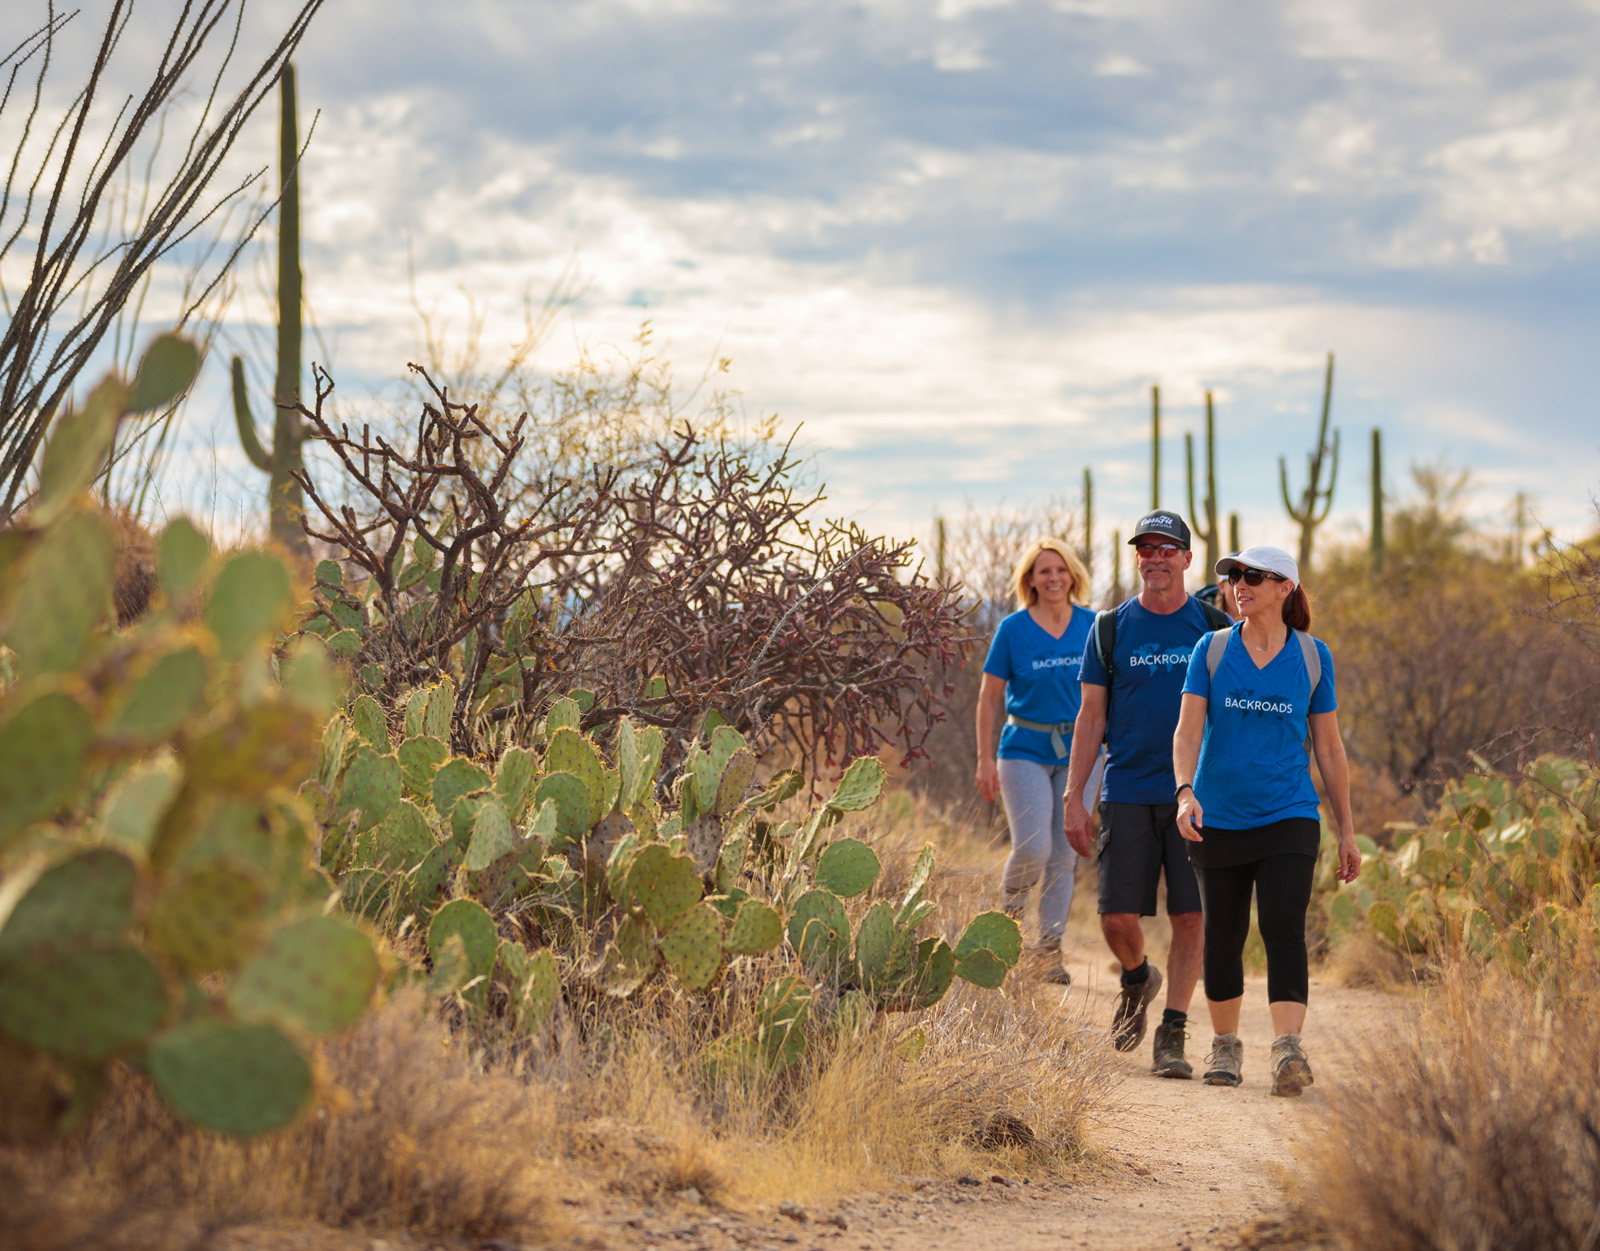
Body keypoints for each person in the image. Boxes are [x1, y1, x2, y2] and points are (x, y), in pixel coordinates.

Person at [1172, 545, 1361, 1096]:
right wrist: (1184, 792)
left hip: (1289, 814)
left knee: (1283, 928)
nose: (1238, 584)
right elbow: (1186, 731)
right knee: (1224, 937)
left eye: (1253, 576)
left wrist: (1347, 828)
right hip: (1218, 816)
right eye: (1234, 576)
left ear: (1286, 588)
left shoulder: (1312, 656)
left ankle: (1287, 1051)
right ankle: (1226, 1046)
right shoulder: (1210, 650)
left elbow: (1329, 748)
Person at [1064, 511, 1229, 1077]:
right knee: (1114, 919)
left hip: (1196, 796)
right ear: (1137, 558)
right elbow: (1090, 718)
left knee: (1191, 916)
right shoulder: (1110, 628)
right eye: (1146, 549)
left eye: (1168, 549)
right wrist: (1073, 796)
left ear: (1187, 559)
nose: (1156, 558)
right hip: (1128, 788)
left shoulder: (1212, 628)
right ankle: (1138, 978)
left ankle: (1173, 1034)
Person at [976, 538, 1100, 984]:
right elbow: (989, 698)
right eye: (1043, 571)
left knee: (1064, 853)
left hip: (1081, 752)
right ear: (1030, 579)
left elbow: (1112, 692)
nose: (1053, 578)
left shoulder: (1094, 625)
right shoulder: (1012, 628)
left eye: (1060, 570)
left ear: (1072, 576)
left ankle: (1049, 951)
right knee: (1033, 847)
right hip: (1023, 747)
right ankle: (1006, 925)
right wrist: (984, 759)